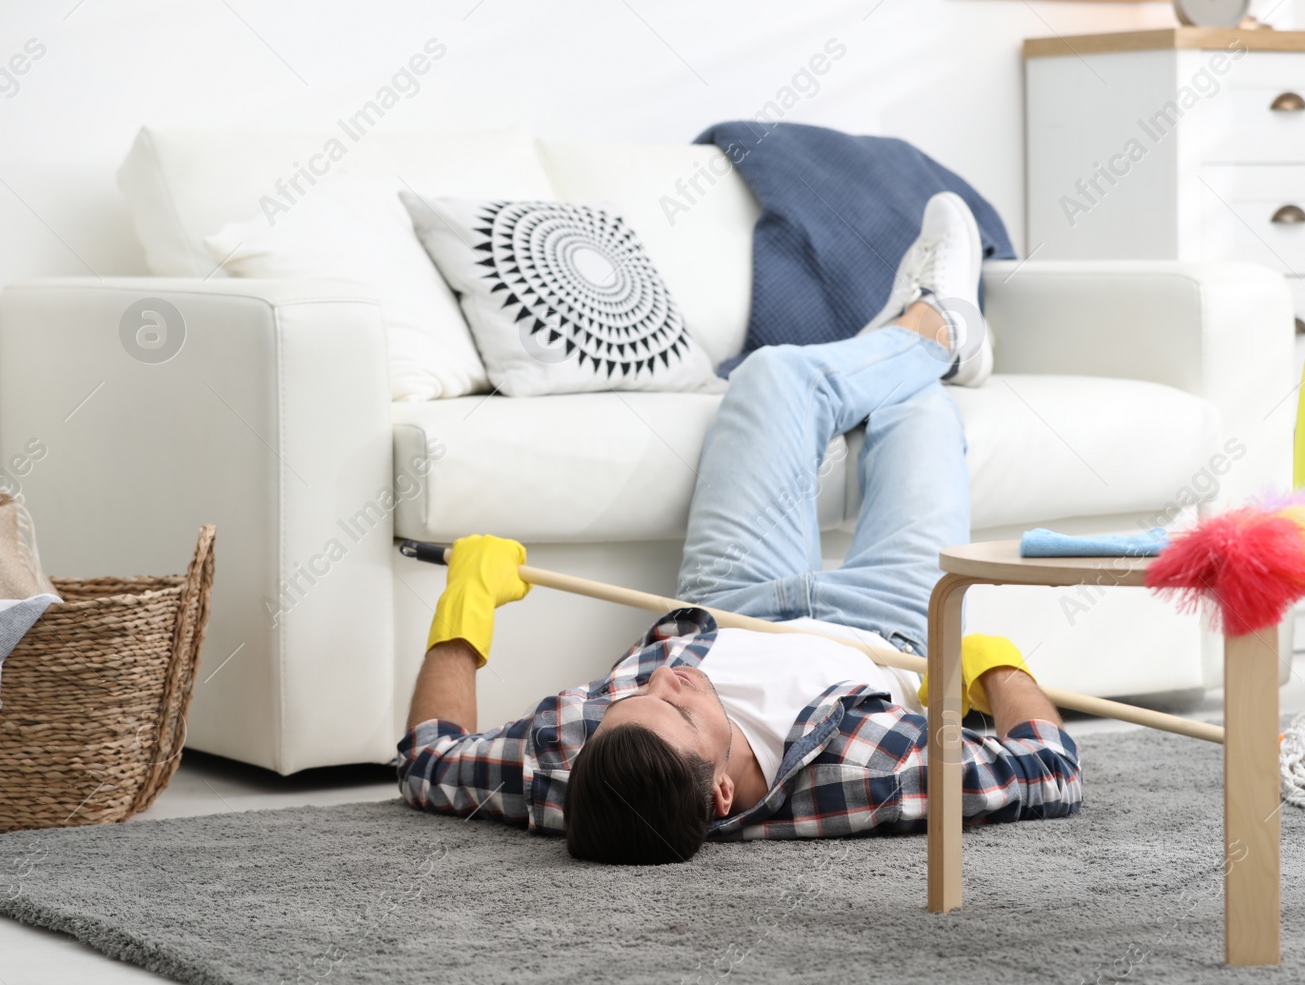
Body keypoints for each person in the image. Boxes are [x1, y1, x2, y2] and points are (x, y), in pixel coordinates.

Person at [397, 193, 1082, 864]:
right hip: (891, 629)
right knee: (921, 414)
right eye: (682, 711)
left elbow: (430, 761)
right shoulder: (871, 774)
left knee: (773, 372)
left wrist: (466, 608)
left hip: (729, 600)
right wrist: (996, 669)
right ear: (722, 793)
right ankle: (926, 336)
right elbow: (1050, 769)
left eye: (632, 698)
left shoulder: (582, 758)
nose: (665, 680)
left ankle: (932, 327)